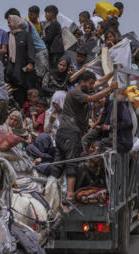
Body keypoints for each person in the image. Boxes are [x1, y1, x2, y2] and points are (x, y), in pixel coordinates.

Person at [51, 70, 118, 201]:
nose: (93, 86)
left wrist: (112, 72)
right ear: (82, 83)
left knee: (59, 163)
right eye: (90, 84)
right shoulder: (76, 93)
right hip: (70, 133)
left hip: (64, 133)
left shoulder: (84, 89)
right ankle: (69, 194)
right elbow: (92, 98)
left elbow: (99, 82)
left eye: (93, 84)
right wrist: (110, 89)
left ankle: (52, 190)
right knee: (71, 163)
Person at [5, 8, 49, 82]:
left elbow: (26, 41)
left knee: (42, 74)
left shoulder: (24, 24)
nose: (8, 24)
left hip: (40, 51)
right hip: (35, 51)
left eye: (10, 21)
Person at [5, 15, 37, 107]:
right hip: (12, 70)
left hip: (24, 69)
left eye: (10, 22)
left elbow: (30, 49)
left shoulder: (26, 35)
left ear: (16, 22)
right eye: (8, 23)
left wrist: (31, 62)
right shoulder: (8, 36)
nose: (9, 25)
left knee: (26, 91)